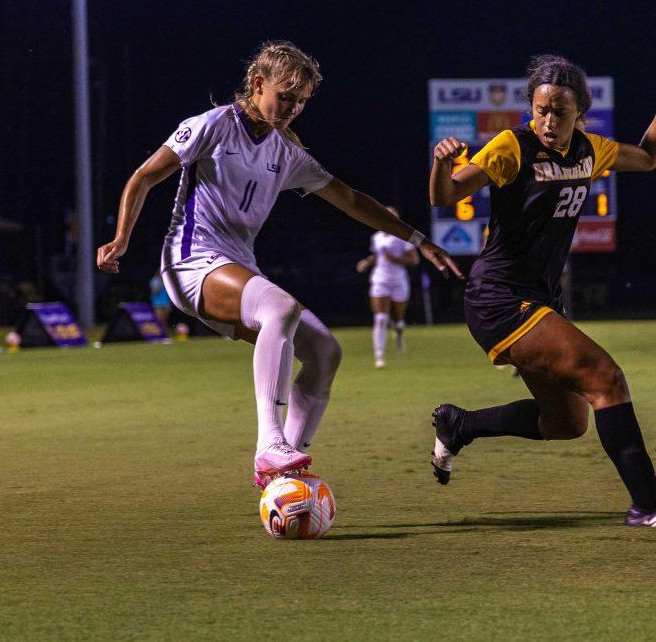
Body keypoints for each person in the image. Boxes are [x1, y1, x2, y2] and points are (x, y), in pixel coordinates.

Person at [97, 41, 461, 487]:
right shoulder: (211, 126)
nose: (292, 108)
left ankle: (282, 473)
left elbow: (349, 198)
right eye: (285, 96)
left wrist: (418, 239)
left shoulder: (285, 153)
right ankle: (269, 444)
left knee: (326, 352)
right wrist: (121, 239)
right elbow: (144, 176)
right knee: (282, 309)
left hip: (237, 266)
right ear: (257, 84)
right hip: (190, 262)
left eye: (302, 101)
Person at [427, 55, 656, 528]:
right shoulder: (513, 146)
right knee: (606, 377)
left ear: (580, 114)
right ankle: (649, 506)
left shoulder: (590, 151)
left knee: (567, 424)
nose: (548, 120)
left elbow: (649, 156)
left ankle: (459, 425)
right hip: (499, 298)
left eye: (560, 111)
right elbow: (445, 196)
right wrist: (440, 163)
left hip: (539, 301)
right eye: (541, 108)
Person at [355, 207, 419, 368]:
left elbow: (414, 260)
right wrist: (366, 263)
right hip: (380, 279)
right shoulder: (376, 237)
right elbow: (377, 256)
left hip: (398, 280)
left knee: (398, 319)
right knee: (381, 317)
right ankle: (379, 356)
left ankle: (398, 335)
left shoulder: (403, 238)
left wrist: (395, 259)